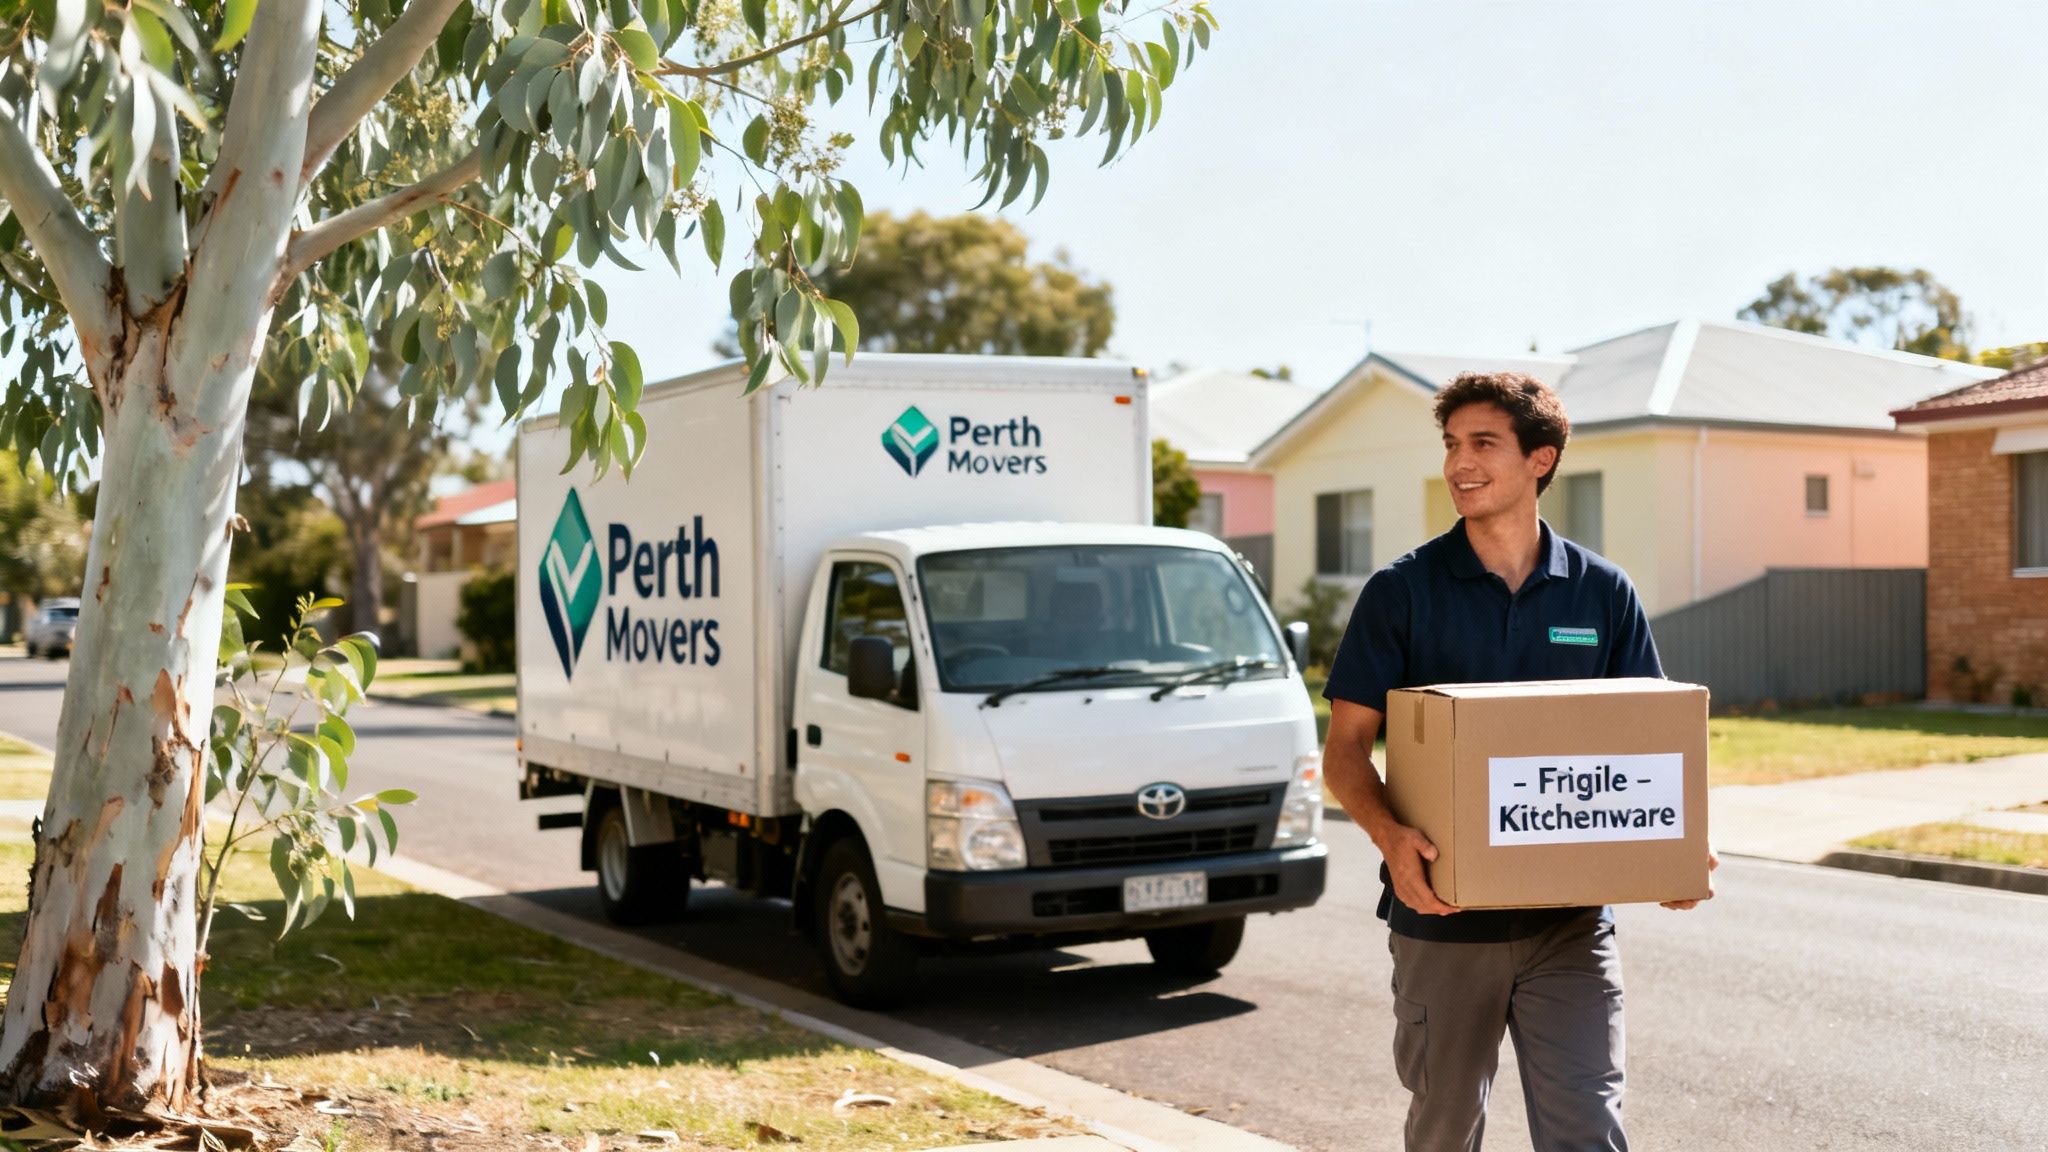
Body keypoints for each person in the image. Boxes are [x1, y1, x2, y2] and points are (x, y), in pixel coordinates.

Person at [1321, 371, 1716, 1152]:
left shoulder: (1602, 594)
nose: (1459, 463)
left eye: (1482, 444)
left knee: (1588, 1132)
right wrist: (1390, 839)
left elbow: (1649, 739)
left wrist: (1678, 845)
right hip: (1442, 921)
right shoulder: (1401, 592)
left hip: (1570, 925)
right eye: (1451, 445)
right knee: (1444, 1131)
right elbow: (1343, 753)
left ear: (1541, 458)